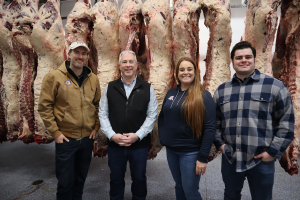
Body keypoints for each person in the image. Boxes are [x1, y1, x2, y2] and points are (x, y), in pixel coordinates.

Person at [213, 41, 294, 200]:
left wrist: (272, 152)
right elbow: (215, 123)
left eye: (248, 57)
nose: (244, 60)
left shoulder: (275, 86)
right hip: (231, 159)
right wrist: (221, 145)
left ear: (254, 59)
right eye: (239, 57)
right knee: (230, 196)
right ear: (233, 61)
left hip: (261, 160)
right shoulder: (221, 90)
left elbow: (286, 124)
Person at [38, 41, 101, 200]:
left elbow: (98, 104)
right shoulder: (54, 77)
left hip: (87, 139)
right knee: (65, 183)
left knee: (80, 180)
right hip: (66, 139)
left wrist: (96, 127)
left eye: (84, 53)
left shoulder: (93, 78)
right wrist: (56, 132)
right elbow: (44, 106)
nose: (80, 57)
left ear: (87, 56)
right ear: (69, 54)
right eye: (76, 52)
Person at [99, 50, 158, 200]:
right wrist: (112, 135)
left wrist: (137, 136)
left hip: (139, 145)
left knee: (139, 180)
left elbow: (152, 116)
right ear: (119, 66)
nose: (128, 65)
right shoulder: (110, 88)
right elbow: (103, 114)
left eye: (131, 62)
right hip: (115, 145)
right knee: (116, 180)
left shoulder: (147, 88)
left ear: (137, 65)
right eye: (124, 62)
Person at [158, 57, 216, 200]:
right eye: (182, 69)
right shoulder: (171, 93)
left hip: (190, 153)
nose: (186, 72)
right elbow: (162, 117)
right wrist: (163, 136)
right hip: (172, 151)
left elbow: (210, 127)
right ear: (177, 73)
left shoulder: (204, 96)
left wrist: (202, 158)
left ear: (195, 72)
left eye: (189, 69)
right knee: (179, 185)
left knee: (190, 191)